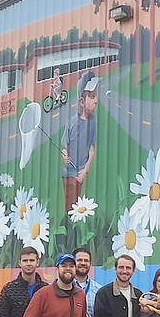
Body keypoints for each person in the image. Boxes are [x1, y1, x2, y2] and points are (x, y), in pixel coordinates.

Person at [60, 71, 98, 212]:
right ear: (82, 102)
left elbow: (92, 148)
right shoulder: (71, 123)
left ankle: (73, 228)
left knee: (78, 204)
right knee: (71, 205)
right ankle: (68, 229)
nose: (96, 100)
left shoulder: (93, 122)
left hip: (81, 172)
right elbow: (64, 146)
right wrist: (65, 155)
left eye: (96, 96)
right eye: (92, 96)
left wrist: (86, 169)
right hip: (69, 172)